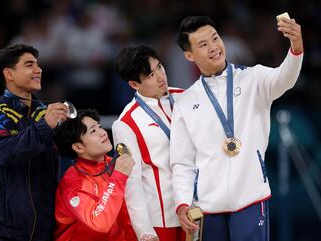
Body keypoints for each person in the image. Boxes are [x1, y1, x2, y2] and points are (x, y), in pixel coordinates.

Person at [170, 15, 303, 241]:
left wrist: (296, 48)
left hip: (250, 199)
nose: (214, 47)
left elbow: (285, 79)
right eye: (203, 45)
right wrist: (183, 203)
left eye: (215, 38)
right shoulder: (185, 102)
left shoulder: (254, 79)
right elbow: (182, 161)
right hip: (207, 207)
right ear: (189, 55)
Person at [0, 44, 69, 241]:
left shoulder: (46, 113)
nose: (38, 70)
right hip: (1, 229)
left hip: (43, 227)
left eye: (38, 64)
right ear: (9, 73)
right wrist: (45, 126)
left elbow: (73, 149)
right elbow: (7, 153)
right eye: (29, 64)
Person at [112, 44, 184, 241]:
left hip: (199, 209)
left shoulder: (187, 98)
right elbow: (132, 183)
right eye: (151, 75)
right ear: (134, 84)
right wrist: (145, 231)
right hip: (162, 220)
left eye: (160, 67)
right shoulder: (126, 123)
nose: (161, 77)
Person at [53, 109, 137, 241]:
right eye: (93, 131)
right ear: (78, 147)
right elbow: (100, 223)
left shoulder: (116, 164)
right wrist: (118, 177)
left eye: (100, 127)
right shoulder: (73, 183)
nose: (103, 133)